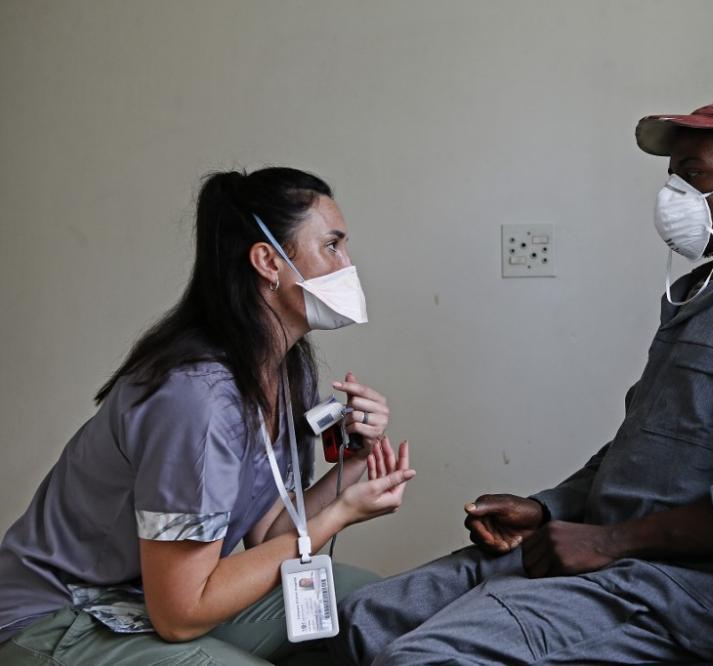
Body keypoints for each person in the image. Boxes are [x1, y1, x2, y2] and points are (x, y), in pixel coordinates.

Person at [329, 97, 713, 665]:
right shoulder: (698, 295)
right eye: (673, 179)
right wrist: (546, 512)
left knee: (421, 660)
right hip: (600, 552)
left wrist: (610, 542)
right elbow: (639, 452)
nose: (675, 197)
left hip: (678, 590)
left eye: (694, 176)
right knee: (360, 622)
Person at [0, 167, 415, 664]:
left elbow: (268, 533)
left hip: (150, 602)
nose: (348, 265)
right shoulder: (196, 398)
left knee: (372, 605)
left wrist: (351, 466)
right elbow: (180, 614)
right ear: (268, 262)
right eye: (332, 246)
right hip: (63, 616)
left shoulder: (285, 373)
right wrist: (339, 516)